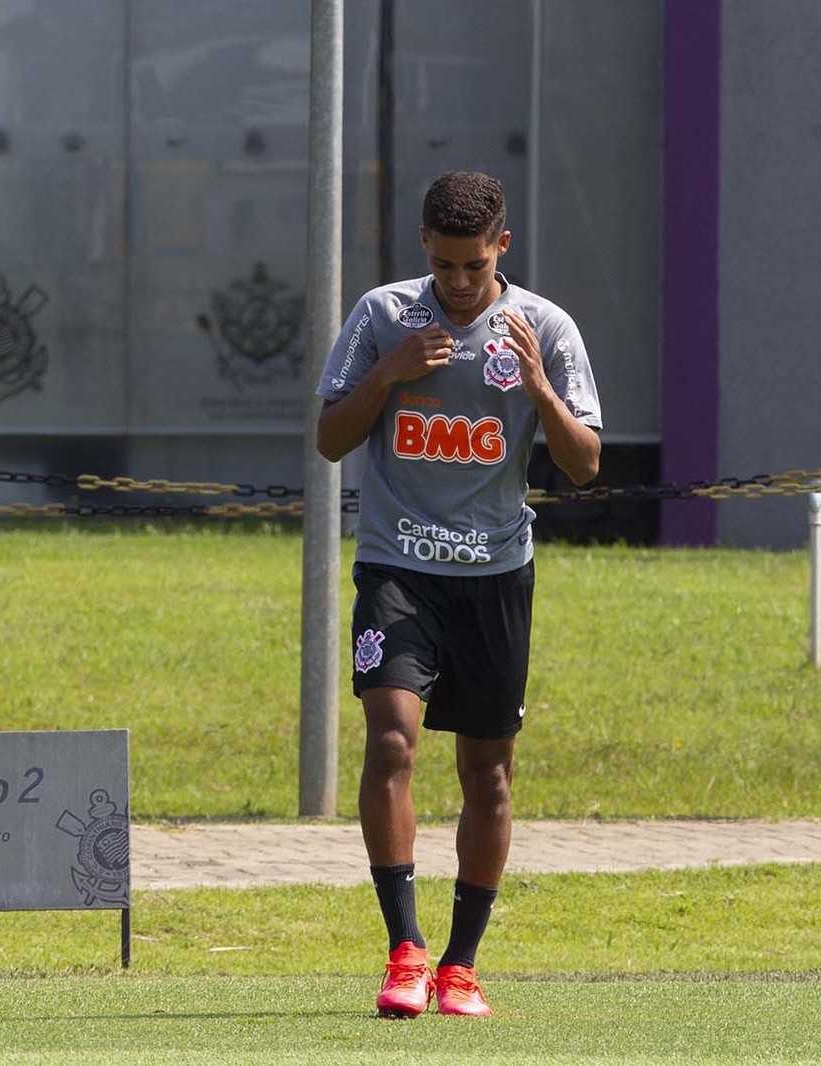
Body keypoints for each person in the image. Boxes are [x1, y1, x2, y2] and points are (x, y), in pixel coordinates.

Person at [315, 170, 602, 1018]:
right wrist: (392, 374)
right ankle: (403, 952)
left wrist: (540, 388)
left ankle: (461, 965)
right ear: (424, 251)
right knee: (393, 741)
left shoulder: (544, 327)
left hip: (495, 578)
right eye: (444, 268)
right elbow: (331, 440)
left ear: (501, 248)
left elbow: (585, 464)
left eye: (473, 266)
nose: (458, 284)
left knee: (488, 772)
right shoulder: (382, 317)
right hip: (399, 569)